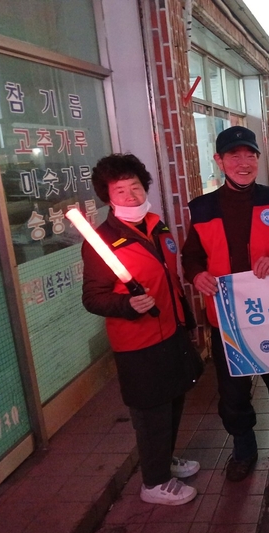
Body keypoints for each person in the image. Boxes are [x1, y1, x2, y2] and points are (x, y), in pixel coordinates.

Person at [181, 125, 269, 482]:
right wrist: (197, 275)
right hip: (227, 321)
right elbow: (191, 256)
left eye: (250, 155)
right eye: (234, 156)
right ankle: (244, 451)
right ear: (219, 160)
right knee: (233, 394)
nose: (243, 163)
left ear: (258, 159)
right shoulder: (203, 208)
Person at [81, 153, 200, 506]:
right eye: (120, 191)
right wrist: (127, 305)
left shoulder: (156, 225)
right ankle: (155, 482)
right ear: (108, 197)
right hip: (138, 343)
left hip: (170, 330)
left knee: (174, 400)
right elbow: (92, 298)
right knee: (151, 413)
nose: (131, 196)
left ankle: (164, 459)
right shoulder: (101, 241)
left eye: (135, 187)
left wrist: (186, 321)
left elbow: (170, 278)